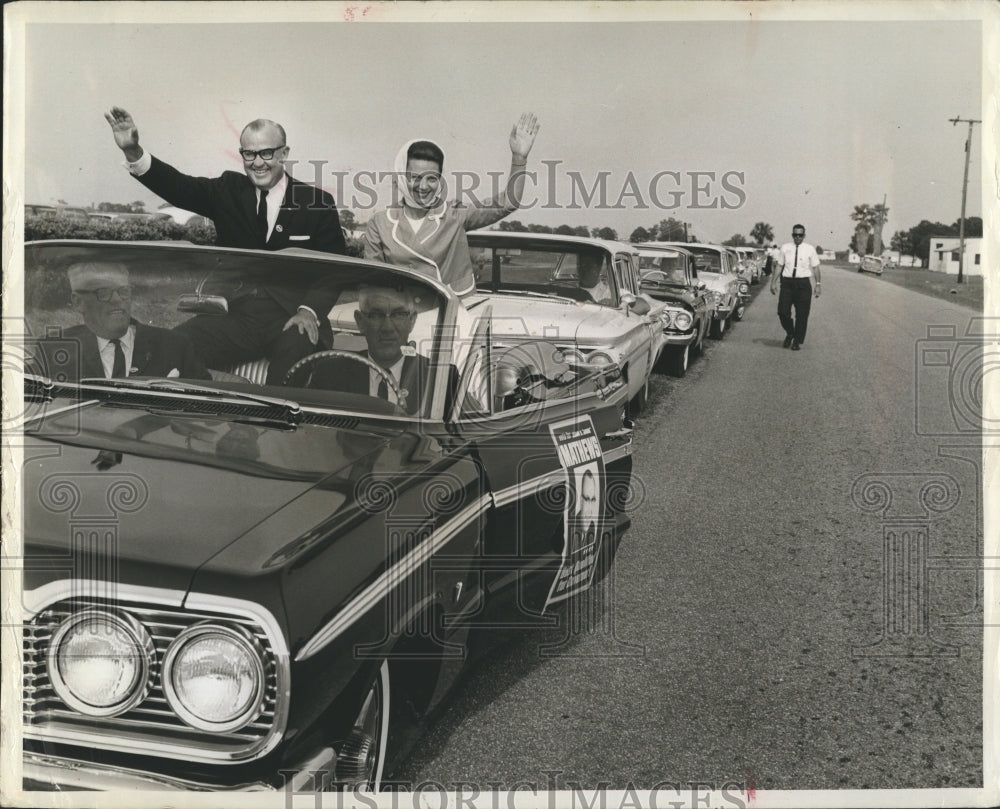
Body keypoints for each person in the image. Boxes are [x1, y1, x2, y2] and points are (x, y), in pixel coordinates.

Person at [103, 107, 347, 383]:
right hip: (237, 316)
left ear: (284, 153)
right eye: (249, 154)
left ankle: (272, 425)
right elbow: (179, 187)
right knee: (176, 346)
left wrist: (309, 312)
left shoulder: (317, 203)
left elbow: (335, 270)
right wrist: (133, 151)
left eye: (266, 153)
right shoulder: (228, 190)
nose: (258, 163)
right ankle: (200, 421)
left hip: (293, 317)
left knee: (294, 357)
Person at [364, 113, 540, 297]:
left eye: (431, 179)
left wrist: (519, 159)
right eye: (414, 177)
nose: (423, 187)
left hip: (451, 315)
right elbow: (372, 282)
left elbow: (508, 202)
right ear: (401, 177)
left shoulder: (454, 214)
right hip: (402, 318)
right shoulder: (380, 223)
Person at [30, 262, 209, 381]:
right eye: (103, 292)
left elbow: (209, 404)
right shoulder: (54, 349)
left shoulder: (174, 345)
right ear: (78, 302)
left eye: (123, 291)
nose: (117, 300)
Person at [297, 285, 430, 416]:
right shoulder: (330, 374)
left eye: (398, 314)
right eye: (376, 315)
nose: (388, 327)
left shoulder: (437, 377)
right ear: (360, 321)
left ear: (412, 321)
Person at [770, 224, 821, 350]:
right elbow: (779, 266)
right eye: (795, 235)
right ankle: (790, 332)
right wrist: (773, 282)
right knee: (782, 312)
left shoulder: (810, 249)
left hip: (803, 284)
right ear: (792, 235)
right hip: (787, 284)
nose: (797, 237)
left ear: (804, 235)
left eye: (800, 235)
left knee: (802, 315)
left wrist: (818, 285)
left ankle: (797, 341)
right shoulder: (785, 248)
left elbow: (815, 267)